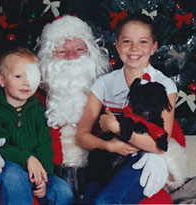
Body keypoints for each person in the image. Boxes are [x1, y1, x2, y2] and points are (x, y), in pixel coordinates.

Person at [0, 15, 187, 204]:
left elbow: (165, 129)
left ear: (93, 55)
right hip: (48, 184)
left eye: (79, 49)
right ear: (46, 61)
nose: (72, 57)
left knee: (155, 200)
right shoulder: (32, 95)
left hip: (106, 177)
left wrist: (161, 159)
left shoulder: (114, 89)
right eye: (61, 51)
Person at [76, 13, 186, 204]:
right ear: (117, 45)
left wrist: (116, 127)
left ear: (154, 47)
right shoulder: (104, 83)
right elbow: (82, 136)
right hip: (109, 159)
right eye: (127, 41)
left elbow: (159, 144)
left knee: (105, 201)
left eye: (143, 42)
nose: (134, 48)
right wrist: (108, 145)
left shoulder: (164, 85)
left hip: (144, 159)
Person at [0, 47, 74, 204]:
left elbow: (45, 146)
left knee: (63, 190)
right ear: (2, 81)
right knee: (14, 175)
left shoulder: (39, 112)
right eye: (18, 76)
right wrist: (27, 158)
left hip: (35, 170)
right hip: (3, 169)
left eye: (31, 76)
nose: (26, 82)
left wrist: (42, 177)